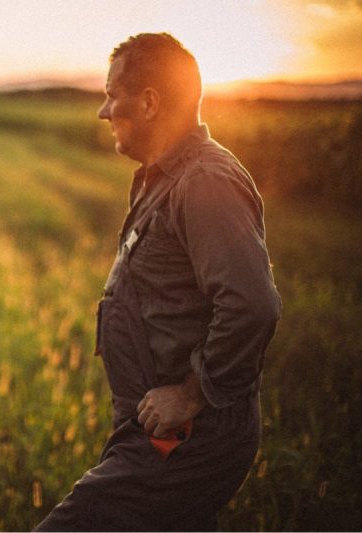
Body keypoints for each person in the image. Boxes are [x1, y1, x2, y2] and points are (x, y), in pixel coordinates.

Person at [34, 33, 282, 531]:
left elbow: (252, 305)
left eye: (112, 94)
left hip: (188, 434)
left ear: (148, 102)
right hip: (157, 429)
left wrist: (189, 395)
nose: (104, 111)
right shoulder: (161, 177)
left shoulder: (204, 181)